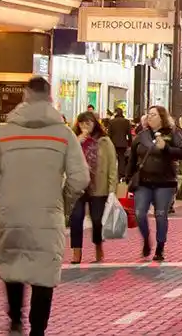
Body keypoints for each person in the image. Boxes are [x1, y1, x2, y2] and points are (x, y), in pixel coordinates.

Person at [0, 76, 89, 336]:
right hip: (48, 215)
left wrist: (2, 196)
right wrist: (65, 201)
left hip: (12, 213)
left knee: (14, 267)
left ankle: (15, 321)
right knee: (43, 275)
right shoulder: (63, 134)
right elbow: (80, 178)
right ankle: (38, 330)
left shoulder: (4, 133)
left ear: (25, 96)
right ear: (50, 98)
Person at [131, 105, 182, 261]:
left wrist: (166, 148)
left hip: (165, 181)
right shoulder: (141, 136)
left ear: (162, 117)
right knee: (139, 213)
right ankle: (146, 239)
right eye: (148, 114)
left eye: (153, 115)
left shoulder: (173, 133)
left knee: (161, 214)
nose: (150, 117)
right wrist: (129, 177)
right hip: (144, 180)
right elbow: (133, 158)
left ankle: (160, 247)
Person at [69, 111, 117, 265]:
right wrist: (77, 142)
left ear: (95, 123)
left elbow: (112, 166)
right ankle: (76, 250)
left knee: (97, 220)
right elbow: (65, 158)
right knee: (76, 218)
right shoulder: (73, 140)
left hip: (98, 186)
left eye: (88, 123)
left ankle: (98, 245)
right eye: (82, 123)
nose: (85, 126)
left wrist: (112, 188)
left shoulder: (104, 141)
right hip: (78, 186)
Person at [106, 108, 134, 183]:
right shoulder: (126, 121)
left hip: (113, 143)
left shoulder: (111, 122)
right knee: (122, 159)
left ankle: (113, 175)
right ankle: (121, 175)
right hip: (123, 143)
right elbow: (129, 134)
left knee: (113, 159)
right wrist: (130, 143)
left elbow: (109, 134)